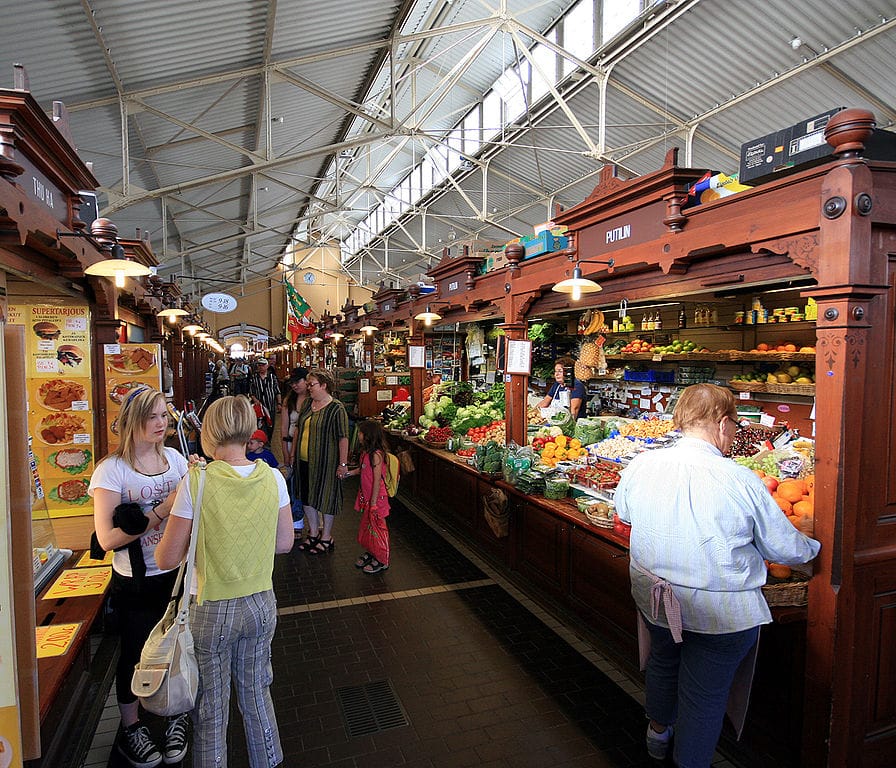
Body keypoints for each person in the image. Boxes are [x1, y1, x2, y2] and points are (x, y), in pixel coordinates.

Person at [613, 383, 821, 767]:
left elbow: (624, 515)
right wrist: (815, 548)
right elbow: (784, 549)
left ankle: (657, 734)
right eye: (736, 426)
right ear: (724, 424)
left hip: (655, 596)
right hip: (719, 612)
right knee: (703, 696)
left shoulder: (642, 464)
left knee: (663, 659)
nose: (735, 433)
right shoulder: (739, 479)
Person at [155, 395, 293, 768]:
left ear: (209, 432)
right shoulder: (273, 477)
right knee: (257, 695)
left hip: (210, 607)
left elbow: (165, 558)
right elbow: (284, 544)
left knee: (211, 708)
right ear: (250, 430)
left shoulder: (196, 482)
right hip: (261, 603)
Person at [88, 387, 192, 768]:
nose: (162, 423)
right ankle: (132, 728)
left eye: (165, 415)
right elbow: (108, 538)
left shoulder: (178, 460)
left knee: (178, 650)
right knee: (135, 653)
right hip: (136, 577)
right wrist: (163, 509)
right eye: (153, 417)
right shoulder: (111, 471)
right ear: (133, 421)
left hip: (177, 573)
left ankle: (176, 714)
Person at [292, 370, 349, 554]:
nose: (308, 388)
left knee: (326, 498)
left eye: (311, 384)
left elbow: (343, 438)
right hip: (303, 460)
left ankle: (326, 536)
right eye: (307, 384)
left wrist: (343, 464)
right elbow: (299, 430)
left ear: (324, 385)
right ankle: (314, 533)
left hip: (326, 462)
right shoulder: (308, 403)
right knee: (307, 497)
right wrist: (292, 455)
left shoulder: (336, 408)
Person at [346, 420, 391, 574]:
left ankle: (382, 559)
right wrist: (348, 473)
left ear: (367, 436)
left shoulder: (376, 455)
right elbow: (363, 470)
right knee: (369, 527)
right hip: (367, 498)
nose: (358, 435)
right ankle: (373, 552)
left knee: (378, 528)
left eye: (360, 432)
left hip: (377, 500)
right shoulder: (366, 453)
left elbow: (377, 481)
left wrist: (373, 504)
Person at [281, 367, 310, 539]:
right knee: (294, 484)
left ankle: (317, 523)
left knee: (309, 482)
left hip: (308, 447)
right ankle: (297, 521)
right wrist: (285, 451)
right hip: (292, 445)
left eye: (297, 382)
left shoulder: (314, 400)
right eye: (291, 383)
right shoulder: (289, 401)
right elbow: (284, 428)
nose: (294, 386)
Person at [248, 358, 281, 441]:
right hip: (260, 407)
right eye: (259, 365)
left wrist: (279, 403)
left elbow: (277, 391)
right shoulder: (254, 377)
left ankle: (268, 440)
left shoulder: (272, 377)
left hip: (270, 406)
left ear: (267, 366)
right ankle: (261, 441)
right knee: (260, 425)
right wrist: (255, 400)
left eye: (262, 365)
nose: (260, 367)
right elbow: (251, 392)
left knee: (271, 425)